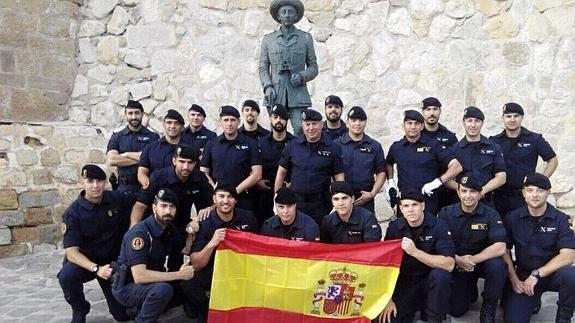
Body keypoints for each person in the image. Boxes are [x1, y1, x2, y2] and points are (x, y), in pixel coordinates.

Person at [58, 165, 136, 323]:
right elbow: (72, 252)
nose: (95, 185)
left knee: (121, 316)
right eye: (90, 181)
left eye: (99, 181)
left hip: (111, 264)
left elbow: (140, 201)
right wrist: (96, 269)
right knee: (67, 276)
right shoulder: (73, 213)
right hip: (87, 263)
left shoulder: (115, 198)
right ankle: (80, 308)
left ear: (105, 182)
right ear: (82, 183)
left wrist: (134, 223)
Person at [112, 189, 195, 323]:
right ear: (154, 208)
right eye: (163, 206)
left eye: (172, 206)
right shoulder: (140, 234)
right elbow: (140, 276)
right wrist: (180, 274)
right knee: (162, 290)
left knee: (188, 286)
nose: (168, 211)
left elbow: (185, 250)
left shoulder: (168, 227)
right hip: (127, 285)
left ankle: (140, 309)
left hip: (151, 280)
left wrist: (191, 232)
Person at [502, 173, 575, 323]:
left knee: (571, 275)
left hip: (551, 274)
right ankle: (533, 299)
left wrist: (537, 274)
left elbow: (568, 255)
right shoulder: (512, 218)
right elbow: (504, 250)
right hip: (523, 276)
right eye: (530, 190)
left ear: (548, 193)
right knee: (513, 320)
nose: (535, 195)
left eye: (540, 190)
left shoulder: (560, 219)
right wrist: (514, 279)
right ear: (523, 193)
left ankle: (564, 318)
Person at [180, 183, 258, 323]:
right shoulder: (204, 222)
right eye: (221, 196)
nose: (226, 201)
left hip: (241, 272)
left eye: (230, 197)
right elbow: (196, 264)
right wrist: (212, 243)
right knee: (188, 279)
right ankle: (205, 309)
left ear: (236, 200)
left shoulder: (248, 217)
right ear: (214, 199)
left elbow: (260, 249)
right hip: (213, 272)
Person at [378, 189, 455, 323]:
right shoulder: (395, 227)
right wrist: (387, 299)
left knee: (441, 276)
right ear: (401, 209)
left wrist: (415, 252)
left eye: (414, 205)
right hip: (406, 281)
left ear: (423, 206)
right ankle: (415, 309)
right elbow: (386, 265)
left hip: (430, 281)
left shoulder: (438, 226)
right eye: (406, 206)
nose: (410, 210)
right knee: (386, 319)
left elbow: (449, 264)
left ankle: (434, 317)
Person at [130, 145, 213, 270]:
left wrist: (209, 208)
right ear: (174, 161)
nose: (186, 167)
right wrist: (134, 228)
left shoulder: (199, 177)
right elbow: (140, 206)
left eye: (190, 163)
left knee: (177, 261)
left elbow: (215, 201)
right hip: (157, 223)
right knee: (153, 261)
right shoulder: (158, 177)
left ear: (195, 163)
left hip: (181, 224)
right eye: (181, 161)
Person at [438, 174, 507, 322]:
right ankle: (470, 289)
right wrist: (458, 259)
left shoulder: (491, 214)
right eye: (464, 191)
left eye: (473, 191)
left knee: (498, 266)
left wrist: (471, 260)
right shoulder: (446, 213)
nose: (468, 195)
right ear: (458, 192)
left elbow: (500, 247)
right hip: (457, 264)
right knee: (457, 310)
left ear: (479, 193)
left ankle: (489, 307)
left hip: (481, 262)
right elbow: (439, 244)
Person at [385, 110, 462, 215]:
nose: (413, 127)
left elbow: (456, 167)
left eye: (416, 123)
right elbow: (388, 163)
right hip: (405, 202)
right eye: (409, 123)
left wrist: (438, 181)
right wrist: (390, 182)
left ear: (422, 126)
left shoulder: (433, 145)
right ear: (403, 126)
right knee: (402, 230)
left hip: (428, 200)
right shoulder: (396, 147)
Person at [275, 108, 344, 224]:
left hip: (321, 205)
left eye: (314, 124)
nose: (311, 128)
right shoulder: (292, 146)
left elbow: (339, 176)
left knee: (320, 238)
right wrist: (277, 199)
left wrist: (338, 201)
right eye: (307, 124)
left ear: (321, 124)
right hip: (295, 203)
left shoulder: (333, 148)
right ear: (303, 125)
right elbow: (281, 172)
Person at [258, 0, 318, 135]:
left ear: (296, 16)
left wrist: (302, 76)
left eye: (291, 12)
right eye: (283, 12)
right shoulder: (269, 40)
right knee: (276, 131)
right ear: (278, 16)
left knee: (301, 131)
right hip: (275, 93)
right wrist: (267, 86)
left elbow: (313, 67)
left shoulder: (305, 38)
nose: (287, 15)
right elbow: (263, 67)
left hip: (298, 94)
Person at [490, 102, 558, 216]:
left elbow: (552, 160)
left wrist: (539, 181)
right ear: (503, 118)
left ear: (522, 117)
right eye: (508, 116)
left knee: (523, 231)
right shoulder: (494, 141)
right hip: (499, 196)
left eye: (516, 116)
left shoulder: (535, 139)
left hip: (523, 197)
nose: (512, 119)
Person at [200, 105, 262, 213]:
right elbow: (203, 172)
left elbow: (257, 174)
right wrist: (216, 189)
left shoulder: (250, 143)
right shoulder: (212, 144)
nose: (229, 124)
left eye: (233, 120)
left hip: (243, 198)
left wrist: (235, 191)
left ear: (238, 122)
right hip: (219, 200)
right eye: (226, 120)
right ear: (220, 121)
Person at [450, 106, 506, 208]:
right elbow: (447, 178)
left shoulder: (494, 148)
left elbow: (501, 177)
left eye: (477, 121)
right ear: (463, 122)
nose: (473, 125)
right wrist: (463, 191)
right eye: (469, 121)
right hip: (461, 204)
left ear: (482, 123)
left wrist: (481, 191)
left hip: (486, 201)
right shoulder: (454, 150)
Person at [334, 106, 386, 214]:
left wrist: (372, 194)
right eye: (353, 120)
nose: (357, 124)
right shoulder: (336, 145)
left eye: (361, 120)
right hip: (341, 200)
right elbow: (329, 171)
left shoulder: (374, 146)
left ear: (365, 122)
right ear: (347, 123)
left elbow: (381, 172)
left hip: (365, 200)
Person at [106, 100, 159, 193]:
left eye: (137, 113)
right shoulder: (117, 137)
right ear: (126, 115)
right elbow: (112, 160)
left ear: (142, 114)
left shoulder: (153, 137)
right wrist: (144, 158)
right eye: (130, 113)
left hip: (146, 187)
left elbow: (154, 158)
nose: (134, 117)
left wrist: (125, 154)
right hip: (124, 188)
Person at [255, 104, 295, 225]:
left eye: (282, 117)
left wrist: (293, 183)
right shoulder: (261, 143)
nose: (278, 120)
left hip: (288, 196)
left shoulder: (295, 143)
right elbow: (253, 165)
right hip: (263, 195)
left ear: (287, 120)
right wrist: (257, 181)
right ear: (270, 119)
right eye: (275, 116)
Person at [420, 97, 459, 209]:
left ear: (440, 111)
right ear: (423, 112)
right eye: (428, 109)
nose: (432, 113)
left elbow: (456, 165)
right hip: (424, 190)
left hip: (446, 191)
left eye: (435, 109)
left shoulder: (449, 136)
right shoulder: (417, 135)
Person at [137, 109, 189, 189]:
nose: (172, 126)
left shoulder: (190, 149)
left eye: (176, 123)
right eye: (169, 122)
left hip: (180, 194)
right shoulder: (151, 148)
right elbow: (142, 173)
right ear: (163, 125)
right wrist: (150, 188)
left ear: (182, 127)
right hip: (155, 194)